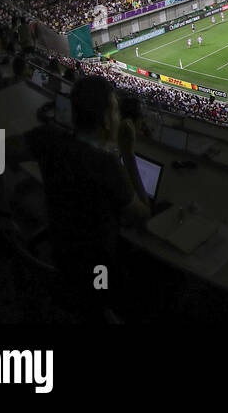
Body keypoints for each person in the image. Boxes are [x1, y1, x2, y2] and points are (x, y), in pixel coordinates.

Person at [26, 75, 151, 320]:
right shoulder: (106, 164)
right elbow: (143, 215)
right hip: (98, 271)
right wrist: (128, 152)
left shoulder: (47, 137)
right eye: (115, 110)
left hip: (60, 252)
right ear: (106, 119)